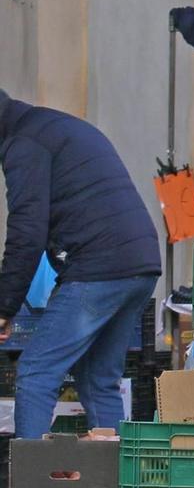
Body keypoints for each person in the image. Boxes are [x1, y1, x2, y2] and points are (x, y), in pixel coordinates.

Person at [0, 90, 165, 440]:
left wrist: (4, 306)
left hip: (100, 267)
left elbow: (26, 231)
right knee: (99, 379)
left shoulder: (24, 143)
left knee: (35, 373)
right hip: (140, 264)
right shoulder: (51, 126)